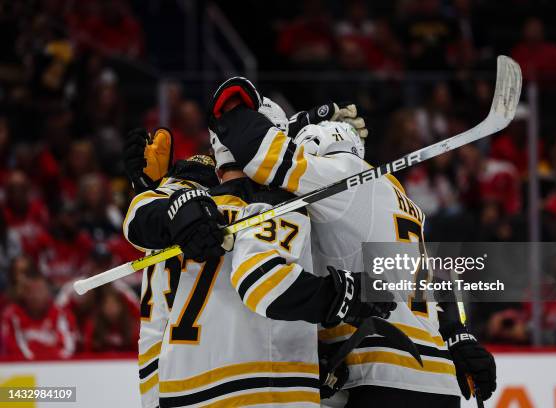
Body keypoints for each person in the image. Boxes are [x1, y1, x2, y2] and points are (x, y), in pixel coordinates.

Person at [208, 77, 496, 407]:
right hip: (439, 377)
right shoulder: (401, 199)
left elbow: (266, 158)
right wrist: (459, 335)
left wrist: (230, 108)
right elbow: (435, 282)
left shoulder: (339, 175)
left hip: (383, 373)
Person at [122, 127, 394, 407]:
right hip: (261, 383)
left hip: (172, 379)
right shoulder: (274, 205)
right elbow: (263, 287)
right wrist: (339, 302)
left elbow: (137, 220)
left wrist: (152, 189)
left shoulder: (166, 207)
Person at [0, 256, 76, 359]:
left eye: (40, 291)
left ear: (48, 292)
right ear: (24, 293)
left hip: (57, 369)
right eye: (31, 291)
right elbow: (14, 349)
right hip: (24, 372)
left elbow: (68, 348)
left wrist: (48, 364)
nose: (36, 296)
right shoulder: (12, 315)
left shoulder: (60, 313)